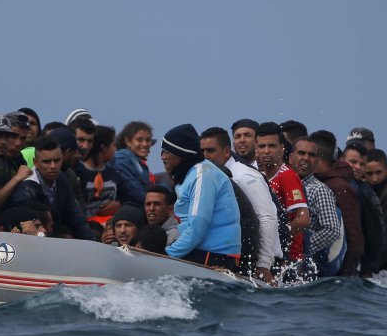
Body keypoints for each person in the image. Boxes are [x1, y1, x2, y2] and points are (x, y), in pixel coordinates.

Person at [200, 127, 281, 283]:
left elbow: (267, 217)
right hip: (243, 256)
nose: (205, 156)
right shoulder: (214, 175)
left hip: (265, 262)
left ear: (226, 151)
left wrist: (263, 265)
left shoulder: (244, 175)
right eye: (202, 151)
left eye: (210, 150)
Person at [160, 124, 241, 271]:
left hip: (213, 255)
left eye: (167, 151)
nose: (162, 157)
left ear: (181, 154)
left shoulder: (202, 176)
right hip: (201, 250)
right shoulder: (190, 175)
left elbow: (198, 227)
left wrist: (166, 256)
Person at [10, 135, 97, 240]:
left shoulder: (61, 178)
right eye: (46, 161)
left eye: (57, 160)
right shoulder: (25, 190)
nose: (53, 166)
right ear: (35, 162)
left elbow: (76, 218)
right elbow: (29, 230)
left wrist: (93, 244)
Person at [310, 131, 363, 277]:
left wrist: (344, 279)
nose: (305, 158)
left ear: (317, 156)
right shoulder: (314, 180)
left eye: (309, 154)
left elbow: (355, 238)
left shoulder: (339, 186)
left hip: (336, 275)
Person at [290, 136, 345, 277]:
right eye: (301, 153)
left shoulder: (319, 190)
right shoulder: (283, 183)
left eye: (311, 155)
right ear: (291, 157)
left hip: (306, 266)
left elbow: (332, 230)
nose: (306, 158)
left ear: (316, 161)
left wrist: (303, 248)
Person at [256, 121, 310, 263]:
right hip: (269, 256)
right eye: (262, 146)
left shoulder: (286, 175)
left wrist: (276, 236)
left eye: (272, 146)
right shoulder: (257, 175)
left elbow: (303, 219)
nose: (266, 151)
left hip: (288, 259)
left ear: (282, 148)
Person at [343, 142, 385, 277]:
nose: (357, 167)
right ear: (342, 160)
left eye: (362, 164)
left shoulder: (366, 193)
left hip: (360, 264)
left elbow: (375, 233)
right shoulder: (345, 185)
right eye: (353, 162)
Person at [74, 125, 125, 223]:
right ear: (104, 147)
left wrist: (119, 205)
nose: (115, 149)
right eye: (113, 145)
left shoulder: (113, 173)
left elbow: (127, 198)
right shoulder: (78, 172)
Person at [113, 121, 155, 204]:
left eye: (148, 140)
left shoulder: (138, 162)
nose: (145, 144)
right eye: (139, 140)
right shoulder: (121, 159)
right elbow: (134, 192)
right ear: (128, 141)